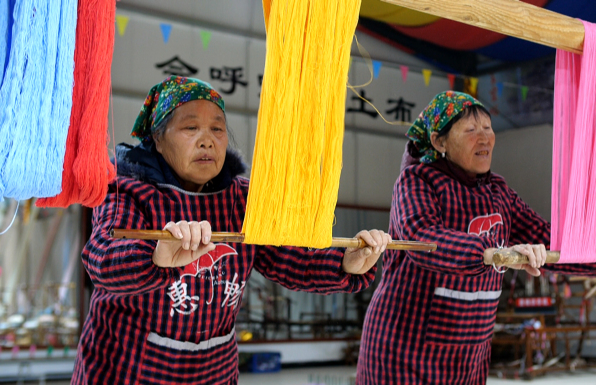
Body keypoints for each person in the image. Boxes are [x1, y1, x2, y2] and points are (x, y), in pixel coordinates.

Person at [72, 76, 392, 384]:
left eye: (217, 128)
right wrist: (156, 257)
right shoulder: (127, 189)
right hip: (128, 368)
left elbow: (290, 257)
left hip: (214, 370)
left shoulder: (241, 199)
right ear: (157, 137)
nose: (207, 139)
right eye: (190, 127)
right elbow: (102, 259)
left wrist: (345, 264)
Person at [355, 91, 596, 385]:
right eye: (471, 129)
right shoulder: (416, 181)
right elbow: (421, 237)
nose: (485, 137)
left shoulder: (497, 191)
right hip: (403, 347)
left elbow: (548, 238)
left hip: (468, 353)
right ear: (439, 141)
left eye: (488, 127)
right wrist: (491, 253)